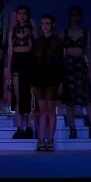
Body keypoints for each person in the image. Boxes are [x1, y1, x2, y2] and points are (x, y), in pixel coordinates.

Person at [61, 6, 91, 140]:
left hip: (81, 66)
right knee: (69, 99)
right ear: (69, 17)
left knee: (87, 98)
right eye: (73, 15)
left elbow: (88, 50)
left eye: (77, 15)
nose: (75, 18)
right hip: (68, 66)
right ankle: (72, 129)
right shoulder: (64, 32)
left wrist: (89, 68)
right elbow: (61, 52)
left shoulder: (86, 32)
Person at [31, 14, 64, 152]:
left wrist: (61, 82)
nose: (45, 26)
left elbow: (61, 63)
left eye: (47, 23)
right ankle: (41, 140)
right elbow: (33, 63)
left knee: (51, 110)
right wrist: (32, 83)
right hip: (39, 79)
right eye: (43, 23)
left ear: (52, 25)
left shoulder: (57, 42)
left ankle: (51, 140)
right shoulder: (37, 42)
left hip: (52, 79)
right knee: (42, 110)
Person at [7, 5, 36, 138]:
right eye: (19, 13)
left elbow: (36, 48)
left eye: (24, 13)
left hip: (29, 63)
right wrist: (9, 68)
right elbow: (10, 51)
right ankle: (19, 127)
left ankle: (30, 127)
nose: (22, 16)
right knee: (18, 96)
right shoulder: (12, 30)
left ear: (28, 15)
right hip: (17, 63)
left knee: (30, 95)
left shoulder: (32, 29)